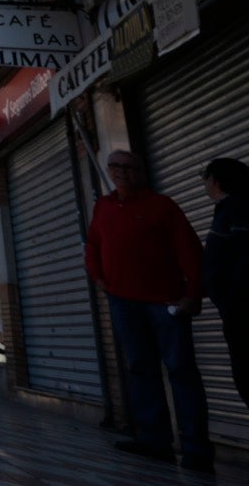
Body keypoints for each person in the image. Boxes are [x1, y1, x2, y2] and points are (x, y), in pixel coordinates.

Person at [86, 147, 212, 471]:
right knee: (141, 370)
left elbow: (190, 251)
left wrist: (192, 295)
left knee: (182, 372)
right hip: (123, 302)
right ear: (110, 171)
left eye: (130, 166)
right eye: (116, 167)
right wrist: (99, 279)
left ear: (139, 171)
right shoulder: (103, 207)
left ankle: (196, 448)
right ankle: (155, 441)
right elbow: (94, 247)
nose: (123, 172)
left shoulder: (161, 206)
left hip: (165, 302)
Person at [203, 156, 249, 408]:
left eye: (206, 178)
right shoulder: (233, 210)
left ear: (215, 181)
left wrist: (232, 302)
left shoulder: (237, 211)